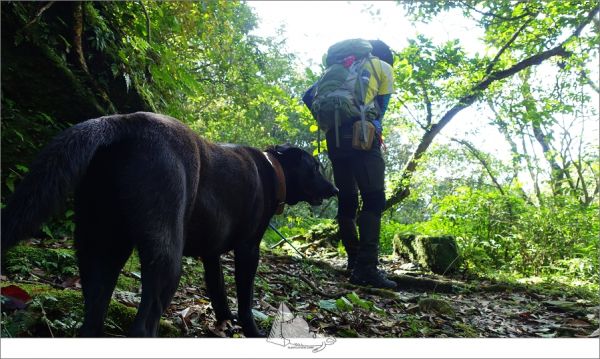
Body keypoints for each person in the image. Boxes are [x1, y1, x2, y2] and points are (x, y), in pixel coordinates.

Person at [303, 39, 396, 289]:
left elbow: (308, 95)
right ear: (384, 56)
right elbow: (381, 108)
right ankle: (366, 268)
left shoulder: (340, 68)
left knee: (348, 198)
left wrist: (330, 122)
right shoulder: (381, 67)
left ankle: (353, 260)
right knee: (374, 199)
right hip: (362, 137)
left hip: (335, 138)